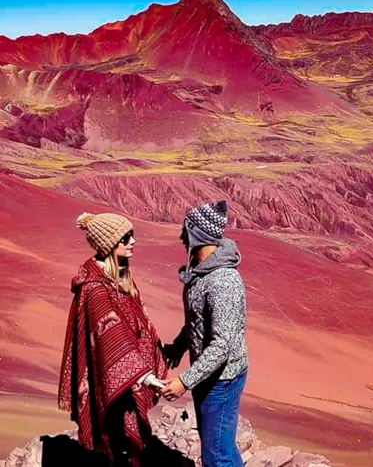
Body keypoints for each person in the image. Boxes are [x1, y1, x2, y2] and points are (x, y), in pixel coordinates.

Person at [58, 212, 168, 467]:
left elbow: (139, 320)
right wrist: (145, 376)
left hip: (129, 374)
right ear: (109, 245)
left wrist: (160, 351)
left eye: (132, 235)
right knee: (118, 439)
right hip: (111, 379)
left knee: (129, 442)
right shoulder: (95, 288)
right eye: (125, 238)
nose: (133, 241)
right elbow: (112, 336)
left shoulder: (120, 277)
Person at [161, 200, 249, 467]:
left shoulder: (222, 282)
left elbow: (222, 345)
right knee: (218, 446)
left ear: (197, 234)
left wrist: (184, 381)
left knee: (216, 456)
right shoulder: (201, 273)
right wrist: (179, 345)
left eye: (185, 230)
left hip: (222, 380)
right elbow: (198, 321)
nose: (181, 237)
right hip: (208, 374)